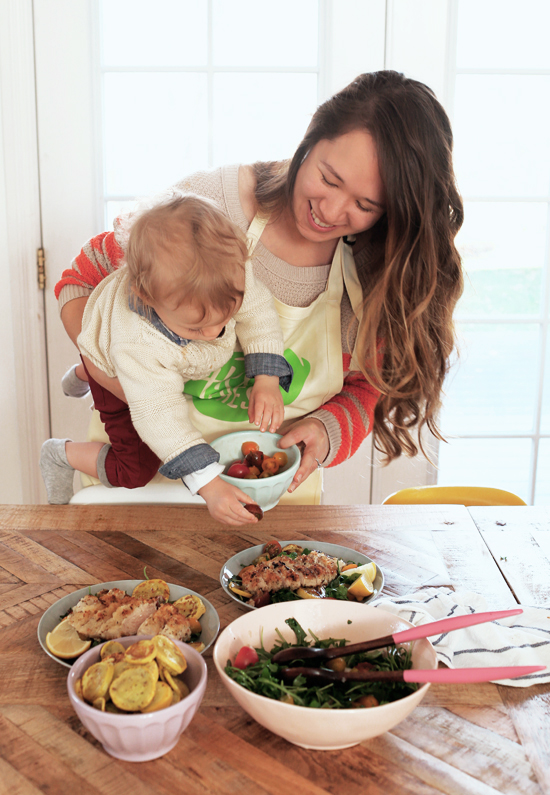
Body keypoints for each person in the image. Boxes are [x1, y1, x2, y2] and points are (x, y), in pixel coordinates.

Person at [54, 70, 464, 525]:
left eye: (365, 205)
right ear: (310, 140)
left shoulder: (375, 275)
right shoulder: (215, 207)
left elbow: (365, 390)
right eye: (328, 178)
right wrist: (107, 371)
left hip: (273, 514)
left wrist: (324, 432)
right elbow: (81, 281)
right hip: (139, 503)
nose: (330, 211)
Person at [41, 192, 292, 524]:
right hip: (119, 363)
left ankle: (81, 375)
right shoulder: (137, 343)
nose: (217, 331)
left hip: (161, 362)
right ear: (148, 298)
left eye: (226, 317)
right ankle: (61, 453)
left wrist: (267, 378)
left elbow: (257, 312)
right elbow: (160, 417)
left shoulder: (225, 271)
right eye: (198, 326)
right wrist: (210, 486)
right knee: (135, 470)